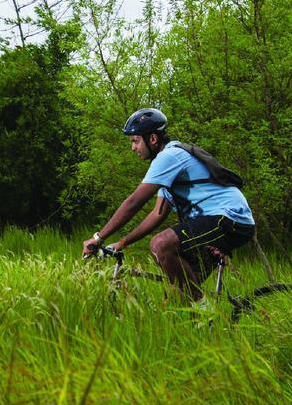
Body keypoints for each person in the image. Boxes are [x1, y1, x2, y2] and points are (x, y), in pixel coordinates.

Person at [81, 108, 256, 304]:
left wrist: (99, 237)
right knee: (177, 294)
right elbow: (158, 213)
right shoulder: (169, 169)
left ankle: (205, 311)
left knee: (160, 245)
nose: (133, 147)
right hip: (220, 221)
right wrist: (123, 242)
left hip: (230, 218)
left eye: (135, 141)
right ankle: (208, 326)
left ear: (153, 139)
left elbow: (134, 202)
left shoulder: (169, 156)